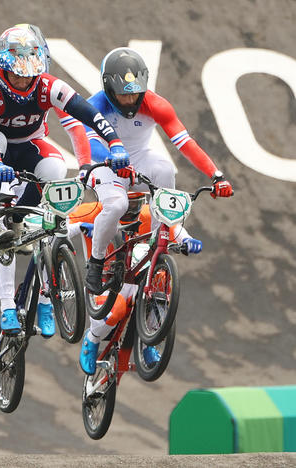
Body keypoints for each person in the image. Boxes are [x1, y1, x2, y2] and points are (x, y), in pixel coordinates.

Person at [0, 25, 128, 336]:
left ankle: (43, 295)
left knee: (54, 176)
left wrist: (114, 142)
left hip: (29, 148)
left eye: (31, 75)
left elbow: (87, 115)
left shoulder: (49, 86)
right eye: (16, 75)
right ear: (1, 70)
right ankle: (5, 300)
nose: (24, 81)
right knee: (3, 233)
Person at [81, 47, 233, 300]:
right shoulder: (94, 105)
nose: (130, 101)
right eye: (122, 95)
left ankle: (153, 242)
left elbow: (185, 144)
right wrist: (111, 158)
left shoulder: (156, 104)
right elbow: (87, 143)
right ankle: (96, 264)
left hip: (139, 158)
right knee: (117, 205)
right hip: (107, 162)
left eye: (136, 94)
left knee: (164, 168)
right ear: (108, 89)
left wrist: (216, 175)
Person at [65, 198, 202, 374]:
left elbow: (173, 229)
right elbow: (58, 229)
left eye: (135, 205)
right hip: (104, 281)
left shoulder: (147, 214)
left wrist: (187, 239)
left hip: (138, 279)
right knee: (117, 309)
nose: (129, 211)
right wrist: (81, 226)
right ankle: (92, 339)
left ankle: (149, 341)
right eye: (126, 205)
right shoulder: (92, 212)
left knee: (161, 280)